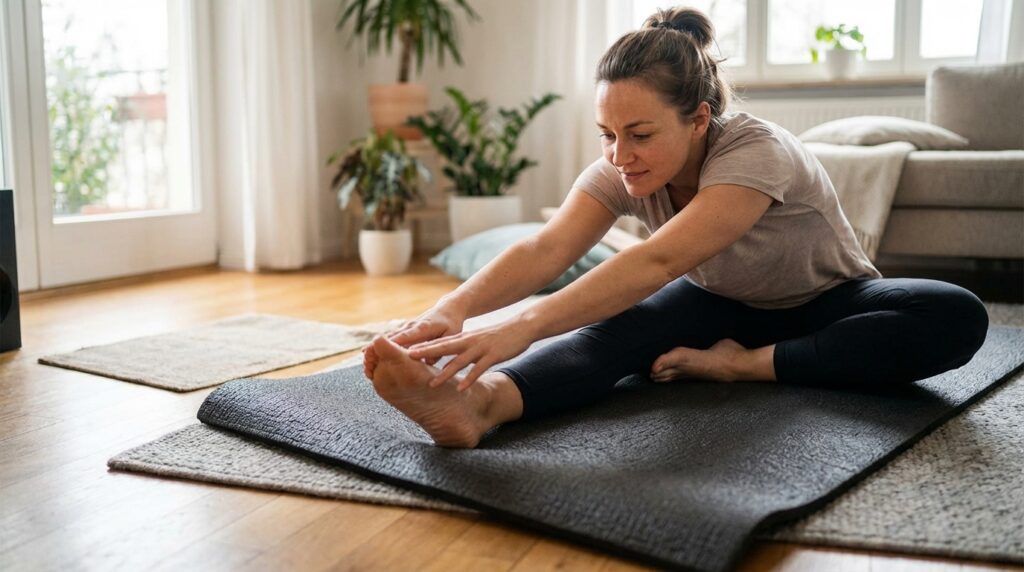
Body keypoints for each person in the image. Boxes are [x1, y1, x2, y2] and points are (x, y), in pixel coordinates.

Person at [362, 6, 990, 449]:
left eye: (639, 135)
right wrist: (454, 311)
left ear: (699, 119)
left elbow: (658, 262)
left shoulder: (753, 150)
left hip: (825, 303)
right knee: (612, 332)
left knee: (955, 313)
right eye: (607, 135)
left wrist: (521, 324)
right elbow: (548, 246)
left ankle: (744, 367)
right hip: (718, 302)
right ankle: (479, 407)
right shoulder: (622, 164)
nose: (619, 155)